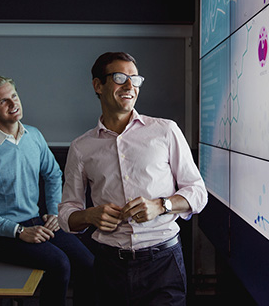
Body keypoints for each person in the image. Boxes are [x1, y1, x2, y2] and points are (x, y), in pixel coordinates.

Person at [59, 52, 208, 306]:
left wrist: (162, 205)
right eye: (120, 78)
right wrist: (89, 216)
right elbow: (67, 213)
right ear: (98, 85)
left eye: (135, 79)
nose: (130, 86)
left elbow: (198, 193)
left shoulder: (165, 130)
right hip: (108, 267)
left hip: (163, 263)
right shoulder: (81, 147)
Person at [0, 75, 95, 306]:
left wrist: (54, 212)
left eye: (14, 96)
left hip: (36, 222)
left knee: (88, 263)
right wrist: (18, 231)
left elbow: (53, 174)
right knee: (60, 263)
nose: (14, 104)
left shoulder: (34, 136)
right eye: (3, 101)